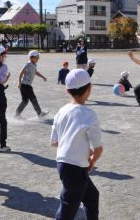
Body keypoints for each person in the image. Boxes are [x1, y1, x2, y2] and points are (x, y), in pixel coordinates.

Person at [51, 69, 103, 220]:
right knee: (67, 211)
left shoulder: (61, 111)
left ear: (67, 90)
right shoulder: (89, 114)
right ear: (89, 88)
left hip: (63, 164)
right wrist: (92, 160)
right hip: (75, 168)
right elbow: (98, 148)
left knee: (92, 197)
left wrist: (71, 143)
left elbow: (54, 142)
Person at [15, 50, 49, 119]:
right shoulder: (28, 64)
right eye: (36, 57)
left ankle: (17, 115)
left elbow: (36, 72)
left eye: (38, 57)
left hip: (25, 85)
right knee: (33, 99)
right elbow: (21, 74)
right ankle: (39, 113)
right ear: (31, 58)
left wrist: (43, 77)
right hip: (25, 85)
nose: (38, 59)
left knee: (25, 101)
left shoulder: (33, 65)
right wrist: (19, 83)